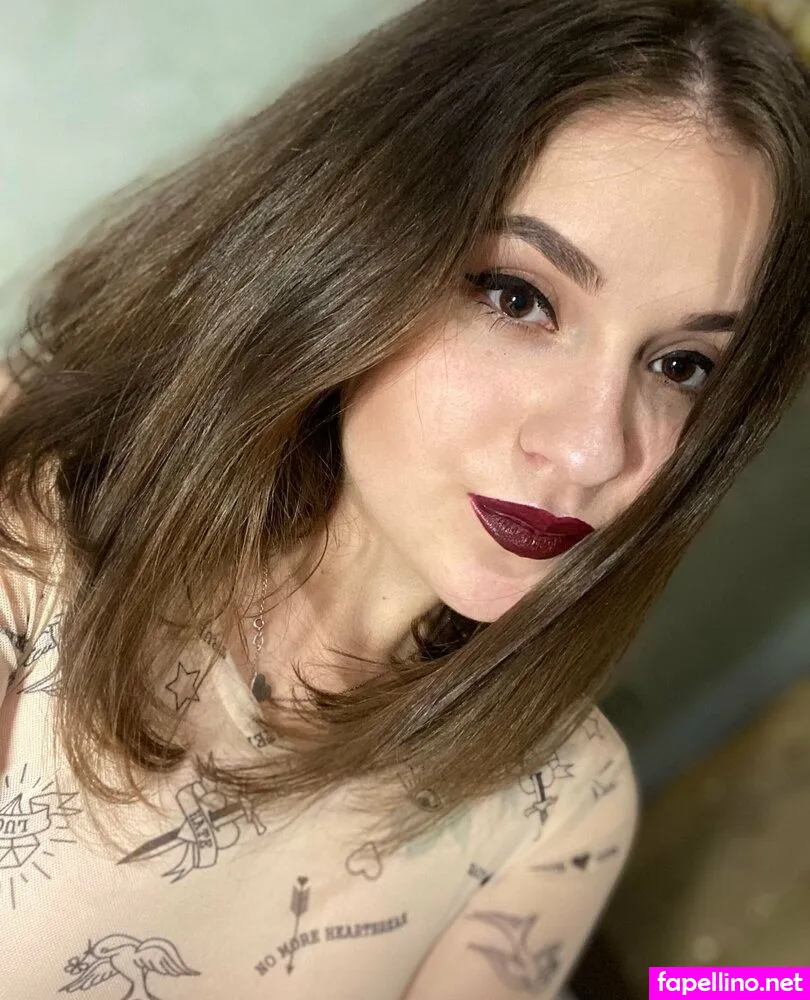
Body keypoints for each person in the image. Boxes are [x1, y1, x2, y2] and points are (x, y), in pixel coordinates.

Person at [1, 0, 808, 996]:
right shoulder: (35, 533)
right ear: (352, 247)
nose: (592, 448)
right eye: (519, 297)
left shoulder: (558, 804)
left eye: (680, 364)